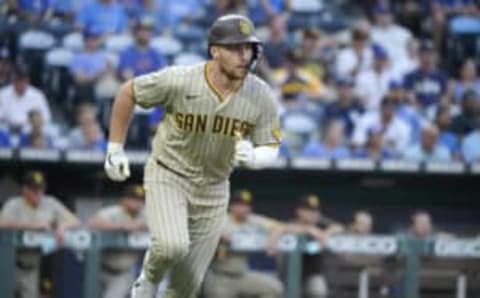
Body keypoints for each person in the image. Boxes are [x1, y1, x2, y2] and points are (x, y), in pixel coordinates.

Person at [103, 14, 281, 298]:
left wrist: (256, 157)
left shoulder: (261, 94)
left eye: (248, 48)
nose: (243, 55)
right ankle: (149, 276)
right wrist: (114, 148)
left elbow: (271, 145)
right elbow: (128, 92)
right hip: (169, 173)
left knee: (187, 284)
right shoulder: (181, 79)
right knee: (172, 245)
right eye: (235, 48)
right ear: (215, 51)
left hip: (214, 187)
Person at [0, 170, 79, 298]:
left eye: (41, 189)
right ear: (24, 190)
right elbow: (1, 223)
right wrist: (31, 226)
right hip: (9, 264)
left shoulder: (50, 203)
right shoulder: (14, 204)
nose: (38, 193)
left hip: (32, 266)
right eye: (34, 190)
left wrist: (62, 227)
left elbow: (75, 221)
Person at [204, 189, 283, 298]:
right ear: (231, 205)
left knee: (274, 288)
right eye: (239, 204)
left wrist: (272, 240)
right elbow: (202, 231)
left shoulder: (252, 220)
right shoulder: (221, 220)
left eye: (246, 205)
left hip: (241, 275)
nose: (243, 208)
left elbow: (280, 227)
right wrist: (217, 234)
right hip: (219, 276)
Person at [267, 194, 344, 298]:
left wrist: (325, 234)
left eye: (315, 211)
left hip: (311, 274)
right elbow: (280, 228)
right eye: (309, 210)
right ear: (299, 211)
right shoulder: (292, 224)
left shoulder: (321, 225)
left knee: (318, 290)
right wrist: (308, 229)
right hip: (288, 275)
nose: (313, 214)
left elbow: (339, 227)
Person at [89, 184, 147, 298]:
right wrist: (123, 226)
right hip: (100, 268)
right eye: (133, 199)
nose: (137, 203)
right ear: (124, 199)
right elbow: (93, 223)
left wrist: (142, 226)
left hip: (122, 273)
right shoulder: (114, 212)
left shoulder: (145, 215)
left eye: (140, 200)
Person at [0, 64, 51, 133]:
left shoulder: (38, 95)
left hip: (29, 132)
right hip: (7, 131)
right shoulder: (3, 94)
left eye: (23, 81)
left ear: (28, 81)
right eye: (17, 80)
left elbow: (46, 118)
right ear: (12, 81)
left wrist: (35, 123)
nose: (20, 84)